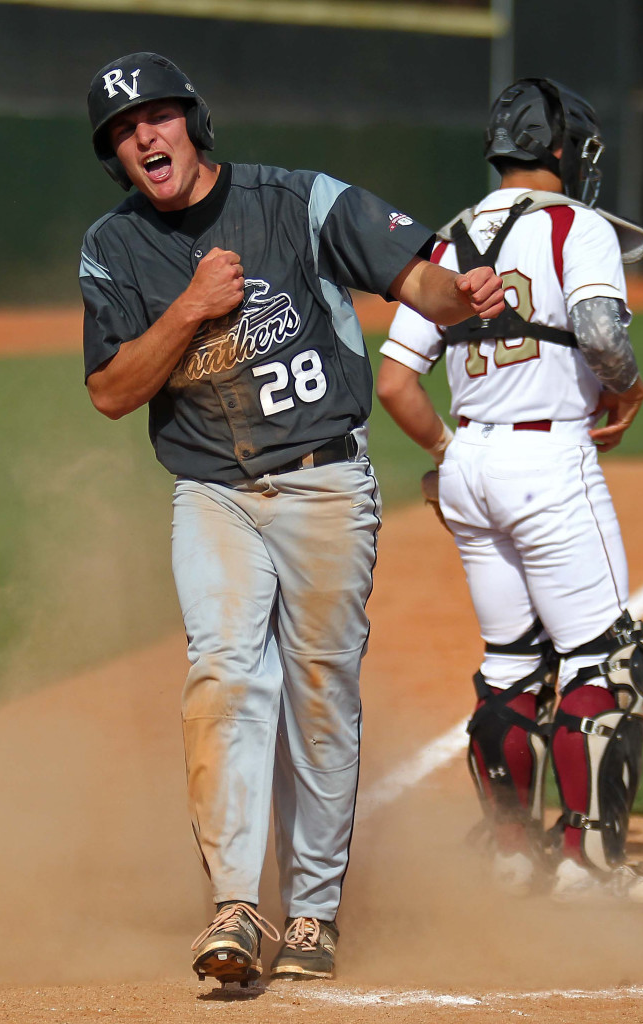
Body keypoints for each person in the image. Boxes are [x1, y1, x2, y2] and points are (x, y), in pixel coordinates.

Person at [79, 51, 505, 987]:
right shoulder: (113, 249)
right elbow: (112, 391)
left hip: (323, 486)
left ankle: (311, 912)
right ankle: (236, 903)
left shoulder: (296, 201)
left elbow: (417, 273)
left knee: (319, 695)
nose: (142, 135)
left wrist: (457, 294)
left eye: (156, 116)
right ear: (114, 155)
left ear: (193, 122)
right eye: (121, 130)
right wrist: (190, 310)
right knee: (225, 672)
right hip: (214, 492)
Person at [376, 77, 643, 908]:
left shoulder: (445, 239)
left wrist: (447, 454)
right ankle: (587, 868)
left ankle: (511, 856)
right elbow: (597, 333)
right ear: (563, 151)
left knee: (511, 663)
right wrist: (629, 386)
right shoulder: (573, 225)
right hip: (547, 461)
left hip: (470, 461)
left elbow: (396, 382)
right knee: (605, 656)